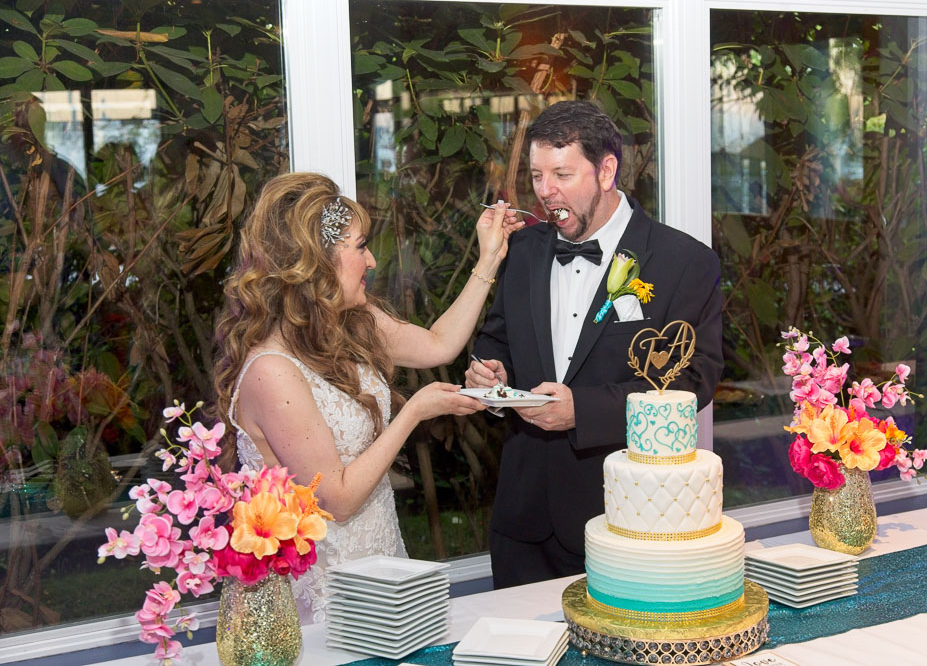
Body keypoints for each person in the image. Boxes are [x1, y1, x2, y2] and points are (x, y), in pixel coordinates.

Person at [213, 172, 521, 621]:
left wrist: (489, 259)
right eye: (360, 247)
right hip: (327, 584)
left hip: (378, 558)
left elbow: (439, 344)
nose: (373, 260)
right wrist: (413, 410)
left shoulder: (352, 322)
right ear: (318, 262)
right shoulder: (272, 372)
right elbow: (336, 499)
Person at [465, 101, 724, 589]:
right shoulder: (521, 251)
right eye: (538, 176)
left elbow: (695, 380)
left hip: (627, 522)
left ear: (606, 171)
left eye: (562, 174)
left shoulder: (684, 262)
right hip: (523, 523)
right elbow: (496, 337)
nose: (545, 192)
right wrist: (489, 372)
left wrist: (582, 410)